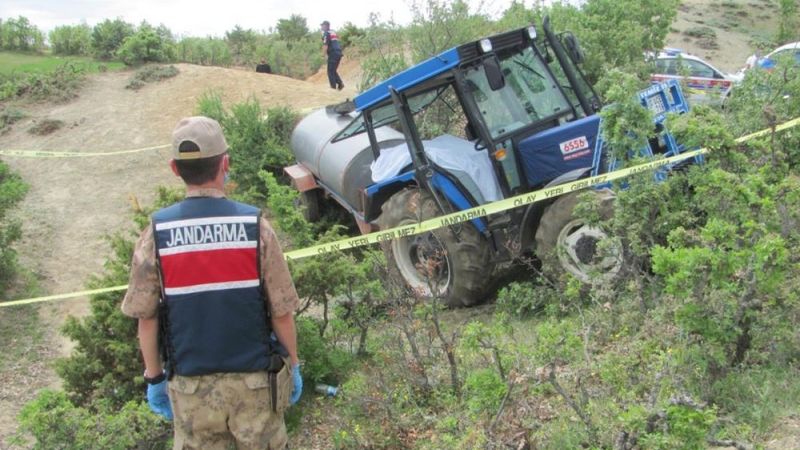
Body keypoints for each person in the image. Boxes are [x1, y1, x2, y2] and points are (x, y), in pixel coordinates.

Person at [121, 116, 303, 450]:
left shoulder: (156, 234)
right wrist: (293, 364)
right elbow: (282, 312)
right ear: (226, 164)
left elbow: (146, 318)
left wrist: (154, 377)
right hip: (256, 384)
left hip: (189, 387)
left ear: (174, 169)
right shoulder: (256, 228)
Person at [320, 20, 344, 90]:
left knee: (330, 71)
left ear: (326, 26)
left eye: (322, 25)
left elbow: (325, 45)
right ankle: (340, 84)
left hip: (333, 53)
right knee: (333, 70)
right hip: (338, 53)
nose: (321, 27)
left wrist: (323, 55)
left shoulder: (326, 33)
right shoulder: (332, 32)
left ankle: (333, 87)